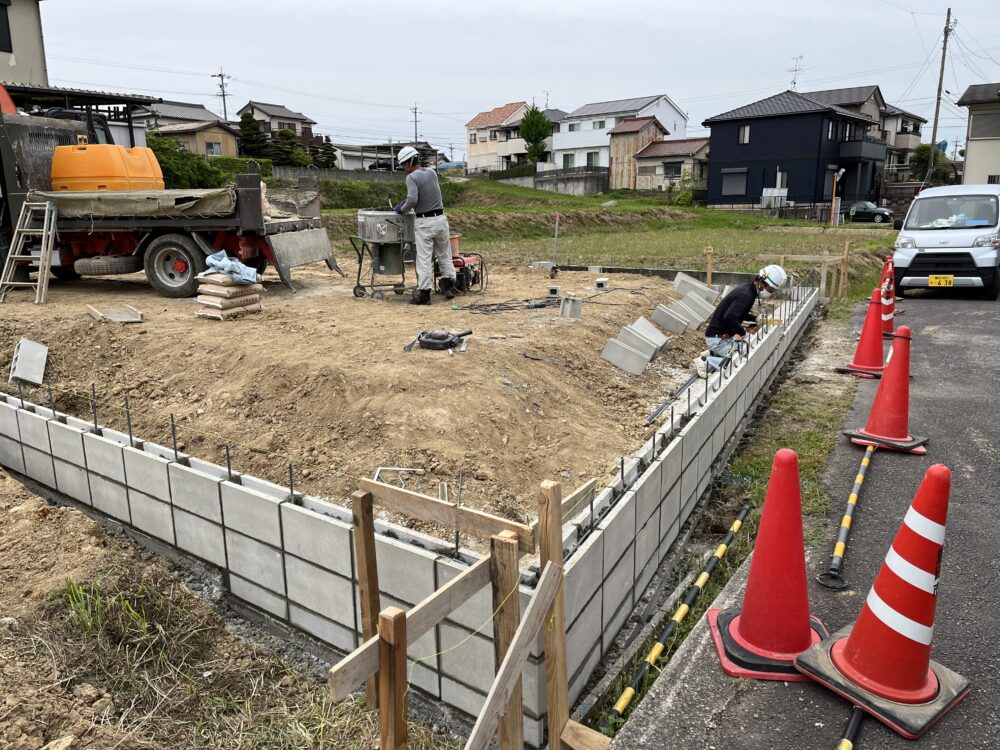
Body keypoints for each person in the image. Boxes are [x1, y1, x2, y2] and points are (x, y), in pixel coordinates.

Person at [696, 264, 788, 377]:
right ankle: (705, 362)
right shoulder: (746, 295)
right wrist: (743, 334)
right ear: (763, 282)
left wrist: (755, 319)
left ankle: (713, 353)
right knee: (740, 358)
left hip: (721, 336)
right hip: (718, 339)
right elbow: (729, 317)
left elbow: (739, 314)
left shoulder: (748, 290)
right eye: (771, 289)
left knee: (743, 347)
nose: (771, 292)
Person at [393, 146, 457, 305]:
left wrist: (402, 208)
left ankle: (424, 295)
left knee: (424, 259)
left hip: (425, 222)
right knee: (444, 254)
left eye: (403, 165)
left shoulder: (411, 178)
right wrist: (407, 201)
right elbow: (426, 193)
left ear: (408, 163)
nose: (403, 169)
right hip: (441, 219)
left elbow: (413, 199)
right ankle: (448, 286)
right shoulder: (432, 172)